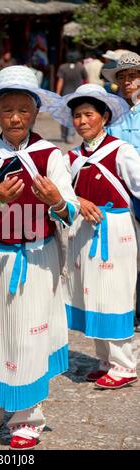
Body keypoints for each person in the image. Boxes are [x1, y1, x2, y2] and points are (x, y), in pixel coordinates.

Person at [0, 66, 80, 449]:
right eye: (8, 110)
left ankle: (26, 418)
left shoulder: (50, 155)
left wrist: (55, 200)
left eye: (24, 109)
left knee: (28, 337)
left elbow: (70, 209)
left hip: (35, 258)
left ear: (36, 111)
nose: (17, 117)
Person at [53, 83, 139, 389]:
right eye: (77, 115)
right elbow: (60, 191)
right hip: (83, 231)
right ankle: (105, 361)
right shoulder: (71, 157)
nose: (82, 121)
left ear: (104, 116)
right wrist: (78, 202)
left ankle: (125, 365)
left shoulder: (122, 151)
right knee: (92, 293)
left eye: (89, 114)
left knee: (113, 294)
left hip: (114, 233)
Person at [102, 52, 140, 332]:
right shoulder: (113, 114)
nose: (127, 83)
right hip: (118, 195)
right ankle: (124, 309)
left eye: (133, 76)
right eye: (122, 78)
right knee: (123, 256)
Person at [56, 51, 88, 144]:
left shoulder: (62, 67)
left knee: (64, 115)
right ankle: (70, 136)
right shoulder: (81, 67)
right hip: (77, 96)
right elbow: (86, 79)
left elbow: (60, 81)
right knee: (74, 115)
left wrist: (58, 93)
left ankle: (63, 135)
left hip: (65, 95)